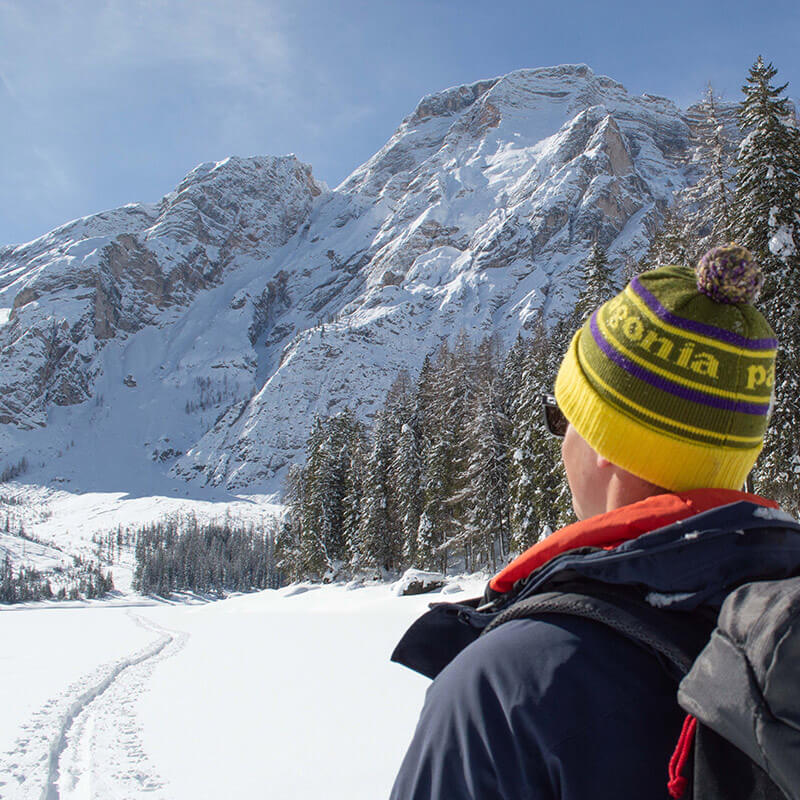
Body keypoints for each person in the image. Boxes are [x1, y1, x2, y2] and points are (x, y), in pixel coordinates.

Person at [389, 244, 800, 799]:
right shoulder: (781, 631)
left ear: (608, 442)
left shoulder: (506, 690)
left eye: (562, 416)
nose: (560, 444)